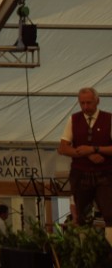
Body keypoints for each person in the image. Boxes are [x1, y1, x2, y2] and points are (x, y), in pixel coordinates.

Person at [58, 86, 112, 247]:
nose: (85, 106)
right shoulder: (73, 119)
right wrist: (86, 154)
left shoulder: (109, 119)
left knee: (110, 214)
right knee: (80, 216)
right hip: (80, 174)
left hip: (105, 174)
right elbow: (63, 147)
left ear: (97, 101)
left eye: (89, 102)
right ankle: (83, 252)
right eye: (82, 103)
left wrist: (95, 149)